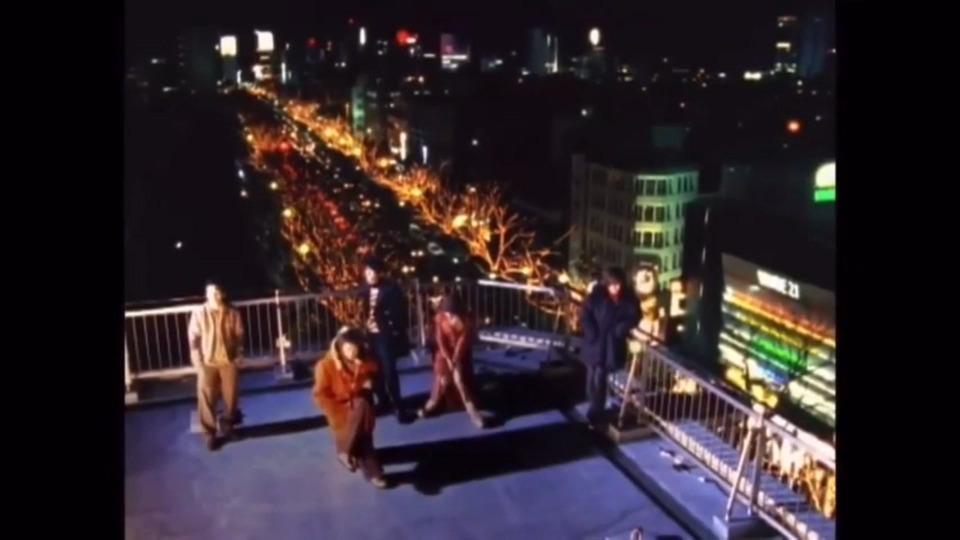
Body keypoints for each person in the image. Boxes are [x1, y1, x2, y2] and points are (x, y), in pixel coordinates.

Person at [312, 327, 388, 489]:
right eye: (348, 348)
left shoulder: (363, 362)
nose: (352, 352)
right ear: (340, 347)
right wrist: (336, 413)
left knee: (363, 409)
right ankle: (372, 471)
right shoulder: (325, 366)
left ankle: (345, 451)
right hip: (340, 411)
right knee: (361, 422)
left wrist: (366, 375)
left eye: (355, 348)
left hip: (361, 412)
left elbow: (376, 373)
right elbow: (320, 396)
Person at [188, 281, 245, 450]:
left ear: (223, 294)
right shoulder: (199, 313)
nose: (214, 296)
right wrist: (198, 362)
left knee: (231, 395)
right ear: (206, 294)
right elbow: (193, 339)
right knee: (206, 397)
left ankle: (228, 423)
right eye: (210, 293)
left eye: (217, 293)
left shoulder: (232, 312)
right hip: (207, 362)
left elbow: (240, 335)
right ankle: (209, 433)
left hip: (229, 361)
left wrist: (238, 355)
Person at [580, 267, 640, 426]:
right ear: (607, 284)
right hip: (596, 341)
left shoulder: (628, 299)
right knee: (594, 373)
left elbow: (635, 316)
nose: (616, 288)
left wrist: (622, 328)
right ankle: (594, 404)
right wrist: (591, 332)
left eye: (618, 284)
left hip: (612, 343)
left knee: (600, 375)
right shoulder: (597, 297)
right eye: (613, 284)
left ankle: (595, 409)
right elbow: (586, 315)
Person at [417, 293, 484, 428]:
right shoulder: (440, 318)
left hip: (457, 355)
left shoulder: (465, 322)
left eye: (450, 313)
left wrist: (455, 359)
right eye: (446, 312)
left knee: (459, 382)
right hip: (443, 355)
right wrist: (448, 358)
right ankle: (431, 405)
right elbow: (440, 340)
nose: (448, 315)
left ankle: (472, 411)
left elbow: (461, 343)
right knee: (442, 381)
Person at [360, 256, 411, 418]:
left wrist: (395, 331)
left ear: (379, 272)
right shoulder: (365, 289)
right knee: (374, 370)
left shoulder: (391, 289)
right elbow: (365, 310)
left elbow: (401, 313)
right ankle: (383, 401)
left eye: (371, 272)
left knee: (389, 371)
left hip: (385, 336)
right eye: (366, 272)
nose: (367, 275)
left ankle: (398, 406)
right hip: (371, 335)